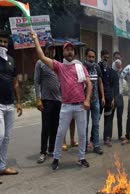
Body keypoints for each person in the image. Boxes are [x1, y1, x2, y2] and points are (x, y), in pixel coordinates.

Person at [32, 31, 92, 170]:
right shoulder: (59, 66)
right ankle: (56, 158)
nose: (69, 52)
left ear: (74, 52)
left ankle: (81, 158)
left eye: (71, 50)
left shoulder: (80, 66)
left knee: (82, 134)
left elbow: (89, 84)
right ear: (63, 52)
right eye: (67, 49)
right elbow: (41, 56)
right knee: (60, 133)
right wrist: (35, 39)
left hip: (80, 106)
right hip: (65, 106)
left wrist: (87, 99)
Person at [0, 30, 22, 184]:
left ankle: (2, 167)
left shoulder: (11, 60)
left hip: (10, 104)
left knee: (7, 138)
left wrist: (19, 102)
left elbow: (15, 82)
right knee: (0, 136)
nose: (2, 44)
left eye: (5, 42)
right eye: (0, 42)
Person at [34, 41, 61, 163]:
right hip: (46, 100)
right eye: (49, 49)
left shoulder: (57, 64)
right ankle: (43, 152)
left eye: (53, 49)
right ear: (45, 50)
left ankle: (51, 149)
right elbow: (36, 82)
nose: (52, 51)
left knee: (55, 127)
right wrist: (38, 99)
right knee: (46, 127)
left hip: (58, 101)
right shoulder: (40, 63)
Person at [83, 48, 104, 155]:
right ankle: (85, 146)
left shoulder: (97, 67)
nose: (91, 59)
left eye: (93, 57)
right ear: (86, 56)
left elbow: (100, 82)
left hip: (96, 100)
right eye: (89, 57)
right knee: (85, 125)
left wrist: (103, 97)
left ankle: (96, 146)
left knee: (96, 124)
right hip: (85, 101)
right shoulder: (82, 67)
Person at [99, 50, 118, 147]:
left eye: (107, 57)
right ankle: (92, 139)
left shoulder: (111, 71)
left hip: (109, 99)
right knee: (96, 120)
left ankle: (107, 138)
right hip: (98, 99)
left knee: (108, 119)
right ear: (101, 56)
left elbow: (113, 86)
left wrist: (113, 98)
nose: (106, 59)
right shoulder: (97, 67)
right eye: (104, 57)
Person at [112, 51, 126, 142]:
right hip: (112, 97)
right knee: (109, 117)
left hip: (120, 96)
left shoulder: (122, 72)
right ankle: (107, 137)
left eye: (119, 58)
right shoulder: (110, 71)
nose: (117, 60)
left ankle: (120, 135)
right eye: (116, 58)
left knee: (120, 117)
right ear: (113, 59)